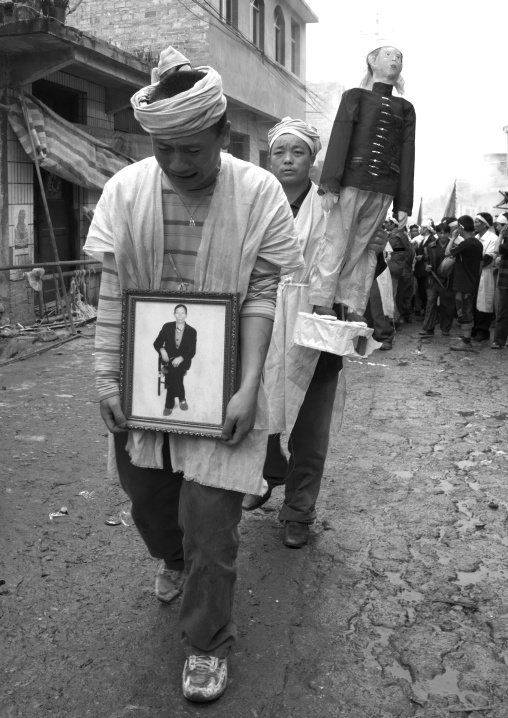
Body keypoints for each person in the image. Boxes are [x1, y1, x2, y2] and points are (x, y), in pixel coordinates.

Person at [84, 67, 304, 703]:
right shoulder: (125, 191)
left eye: (192, 149)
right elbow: (112, 291)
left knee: (211, 522)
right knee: (149, 500)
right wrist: (106, 377)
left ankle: (208, 642)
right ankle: (171, 558)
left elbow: (264, 292)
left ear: (223, 134)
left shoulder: (260, 192)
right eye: (164, 149)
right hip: (144, 384)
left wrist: (249, 385)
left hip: (229, 381)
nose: (177, 162)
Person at [241, 117, 346, 548]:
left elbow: (348, 261)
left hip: (314, 319)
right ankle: (269, 469)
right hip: (261, 316)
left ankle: (299, 510)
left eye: (297, 151)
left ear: (313, 157)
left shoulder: (331, 206)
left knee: (310, 424)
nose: (287, 160)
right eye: (280, 152)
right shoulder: (254, 200)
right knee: (255, 408)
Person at [308, 43, 416, 322]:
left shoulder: (406, 108)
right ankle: (322, 300)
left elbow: (408, 151)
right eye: (389, 54)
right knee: (336, 241)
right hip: (352, 181)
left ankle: (353, 305)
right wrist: (329, 184)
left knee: (365, 247)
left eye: (399, 56)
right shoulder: (354, 96)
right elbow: (340, 137)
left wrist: (404, 203)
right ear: (372, 61)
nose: (395, 59)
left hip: (385, 187)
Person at [447, 215, 483, 351]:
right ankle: (465, 338)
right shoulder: (477, 243)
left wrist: (453, 237)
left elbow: (447, 252)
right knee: (465, 309)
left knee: (464, 311)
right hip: (471, 281)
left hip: (464, 283)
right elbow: (480, 264)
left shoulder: (466, 243)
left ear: (460, 228)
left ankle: (466, 342)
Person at [154, 304, 197, 415]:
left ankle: (169, 405)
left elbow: (192, 351)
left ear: (186, 315)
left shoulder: (192, 331)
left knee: (174, 370)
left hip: (183, 361)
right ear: (174, 314)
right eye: (177, 313)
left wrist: (181, 358)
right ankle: (182, 399)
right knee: (174, 370)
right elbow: (157, 343)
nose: (180, 315)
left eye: (182, 313)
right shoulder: (167, 327)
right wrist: (162, 350)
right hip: (168, 359)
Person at [418, 222, 456, 337]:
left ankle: (445, 329)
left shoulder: (454, 246)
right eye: (440, 233)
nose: (442, 236)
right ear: (437, 233)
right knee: (430, 304)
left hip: (448, 281)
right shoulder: (431, 246)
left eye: (445, 233)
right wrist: (427, 267)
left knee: (447, 305)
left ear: (449, 233)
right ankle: (428, 329)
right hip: (433, 279)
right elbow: (427, 261)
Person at [472, 212, 499, 342]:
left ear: (484, 224)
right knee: (473, 302)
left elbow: (488, 258)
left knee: (483, 302)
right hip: (473, 274)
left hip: (485, 274)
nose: (474, 224)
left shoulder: (493, 238)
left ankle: (483, 331)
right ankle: (475, 328)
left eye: (477, 221)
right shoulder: (475, 237)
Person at [491, 212, 508, 349]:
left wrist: (501, 235)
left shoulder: (504, 240)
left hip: (505, 281)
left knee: (502, 311)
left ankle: (499, 340)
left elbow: (496, 250)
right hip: (504, 280)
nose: (497, 227)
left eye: (500, 225)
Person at [413, 218, 435, 317]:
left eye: (421, 228)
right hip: (421, 271)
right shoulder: (422, 240)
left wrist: (423, 257)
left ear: (426, 229)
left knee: (428, 294)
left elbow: (435, 255)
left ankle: (429, 316)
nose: (420, 230)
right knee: (422, 293)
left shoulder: (433, 239)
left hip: (427, 272)